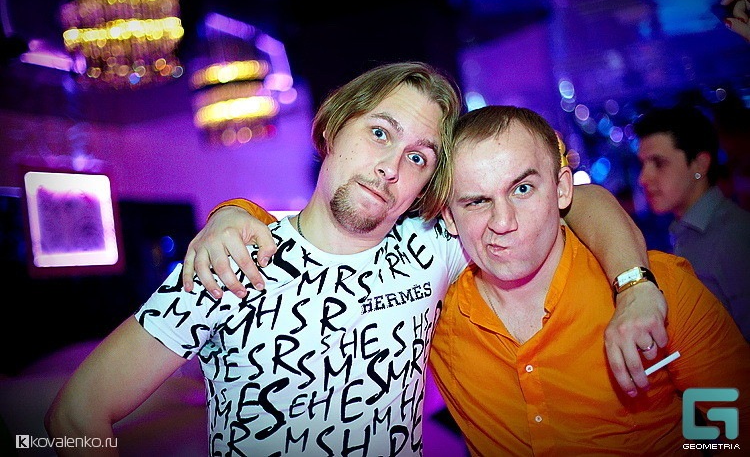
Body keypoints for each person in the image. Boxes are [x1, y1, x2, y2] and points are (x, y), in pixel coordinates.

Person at [46, 62, 664, 456]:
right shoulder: (234, 258)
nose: (392, 167)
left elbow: (575, 199)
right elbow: (76, 413)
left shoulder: (434, 247)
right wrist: (232, 214)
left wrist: (635, 284)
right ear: (333, 127)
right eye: (380, 132)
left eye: (419, 157)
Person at [428, 105, 750, 455]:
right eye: (477, 201)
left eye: (522, 189)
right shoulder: (432, 320)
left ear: (562, 189)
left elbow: (737, 424)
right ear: (449, 217)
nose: (502, 222)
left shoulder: (662, 290)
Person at [635, 105, 750, 341]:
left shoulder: (736, 235)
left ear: (700, 165)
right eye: (643, 164)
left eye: (659, 163)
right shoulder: (683, 232)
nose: (644, 178)